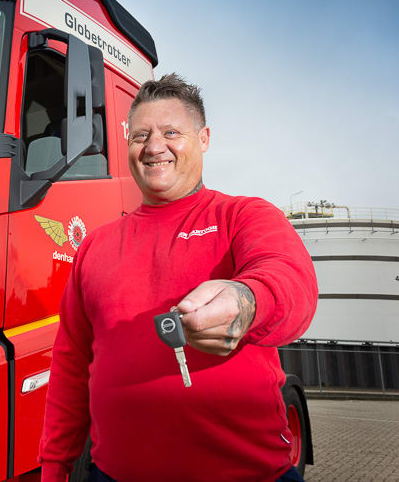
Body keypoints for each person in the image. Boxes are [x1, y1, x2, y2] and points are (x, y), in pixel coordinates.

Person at [38, 74, 318, 482]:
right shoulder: (94, 247)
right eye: (140, 136)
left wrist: (246, 300)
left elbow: (291, 279)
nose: (154, 147)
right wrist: (54, 467)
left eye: (171, 132)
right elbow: (71, 366)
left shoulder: (242, 215)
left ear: (203, 138)